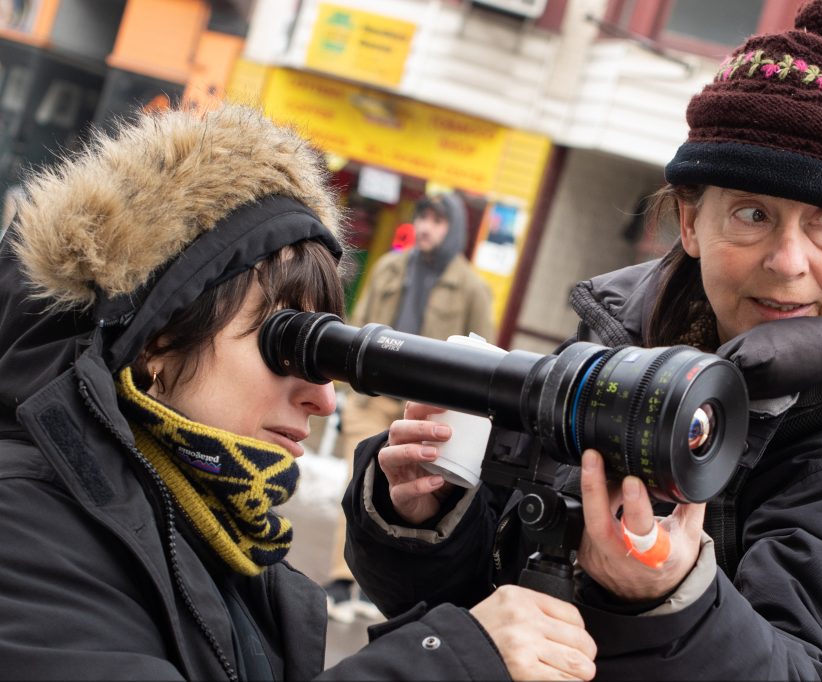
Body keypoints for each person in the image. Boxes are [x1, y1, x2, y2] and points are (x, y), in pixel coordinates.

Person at [340, 1, 822, 679]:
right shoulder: (612, 363)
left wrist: (675, 602)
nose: (788, 261)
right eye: (751, 214)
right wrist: (426, 517)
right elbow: (489, 619)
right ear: (689, 221)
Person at [0, 105, 597, 681]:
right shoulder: (25, 526)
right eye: (285, 347)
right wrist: (454, 661)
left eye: (324, 351)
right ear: (156, 340)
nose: (323, 397)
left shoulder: (216, 533)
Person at [324, 191, 494, 621]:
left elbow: (484, 357)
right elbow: (359, 324)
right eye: (423, 219)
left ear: (452, 229)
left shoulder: (471, 286)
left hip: (429, 411)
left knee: (414, 493)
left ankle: (380, 582)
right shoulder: (389, 267)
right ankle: (344, 579)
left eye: (437, 221)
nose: (426, 228)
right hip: (375, 397)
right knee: (362, 481)